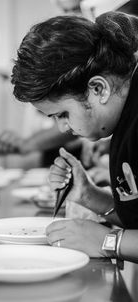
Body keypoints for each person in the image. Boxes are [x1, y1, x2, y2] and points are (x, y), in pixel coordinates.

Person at [11, 12, 138, 262]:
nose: (62, 128)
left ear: (98, 88)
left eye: (63, 114)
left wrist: (107, 242)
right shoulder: (124, 119)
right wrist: (89, 195)